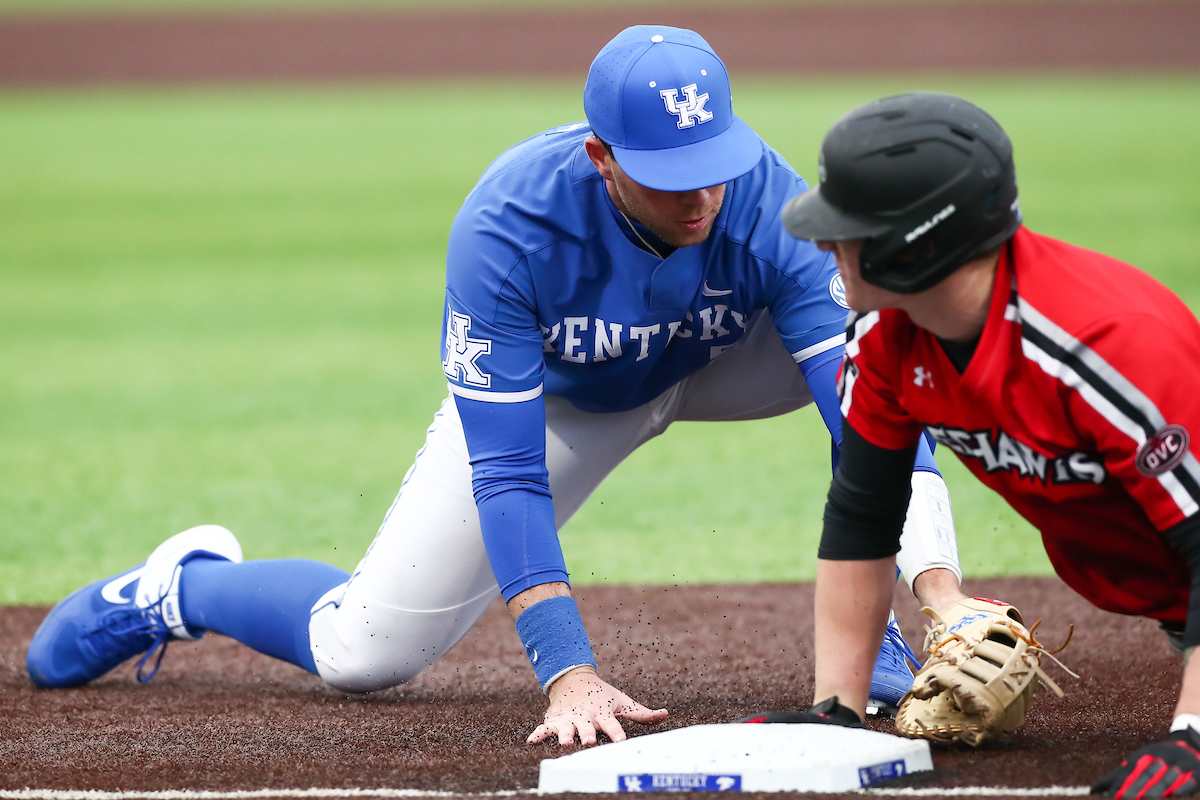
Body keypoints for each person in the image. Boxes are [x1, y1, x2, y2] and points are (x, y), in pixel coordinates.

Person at [25, 27, 970, 747]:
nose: (702, 198)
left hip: (725, 360)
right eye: (669, 176)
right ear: (602, 158)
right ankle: (183, 590)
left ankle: (890, 640)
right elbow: (510, 472)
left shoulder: (760, 192)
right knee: (362, 653)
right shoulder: (508, 229)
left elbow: (868, 407)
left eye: (712, 167)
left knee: (893, 349)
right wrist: (568, 671)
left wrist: (943, 596)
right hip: (568, 401)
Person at [779, 90, 1200, 797]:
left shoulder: (1103, 345)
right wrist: (838, 716)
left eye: (847, 228)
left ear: (920, 243)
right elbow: (863, 516)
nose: (824, 245)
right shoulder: (887, 335)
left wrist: (1193, 735)